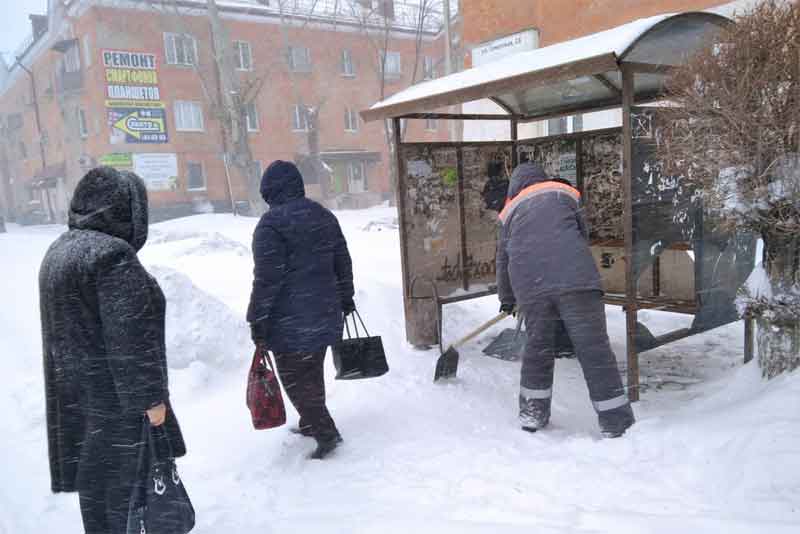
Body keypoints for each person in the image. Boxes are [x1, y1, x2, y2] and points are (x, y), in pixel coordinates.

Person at [39, 167, 186, 533]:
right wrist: (151, 400)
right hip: (119, 405)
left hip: (80, 398)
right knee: (133, 494)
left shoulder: (60, 251)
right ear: (126, 211)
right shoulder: (112, 258)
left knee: (99, 492)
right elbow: (130, 338)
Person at [496, 162, 635, 438]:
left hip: (532, 286)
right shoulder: (565, 194)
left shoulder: (508, 212)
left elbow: (503, 260)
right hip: (577, 281)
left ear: (515, 186)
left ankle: (532, 414)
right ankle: (615, 422)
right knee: (594, 350)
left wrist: (508, 298)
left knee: (537, 350)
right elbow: (581, 235)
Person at [247, 160, 354, 460]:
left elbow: (267, 279)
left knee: (295, 378)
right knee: (311, 371)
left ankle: (326, 432)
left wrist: (257, 317)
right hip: (325, 311)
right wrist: (346, 297)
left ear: (268, 190)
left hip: (290, 320)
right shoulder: (323, 216)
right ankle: (310, 420)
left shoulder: (270, 225)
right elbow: (342, 261)